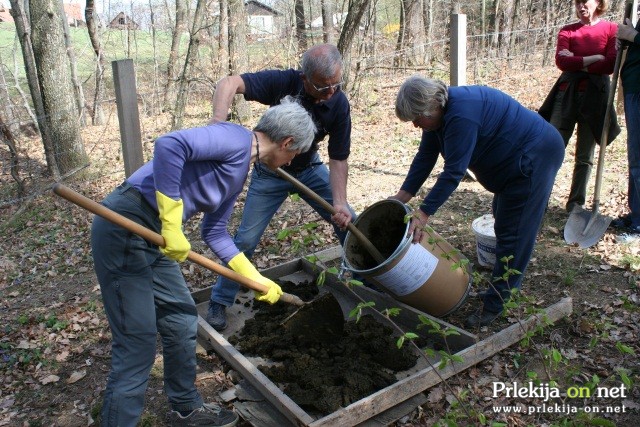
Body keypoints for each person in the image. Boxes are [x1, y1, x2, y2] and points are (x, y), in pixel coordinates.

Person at [90, 98, 316, 426]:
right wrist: (170, 220)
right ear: (287, 143)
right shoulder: (233, 138)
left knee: (182, 321)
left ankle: (187, 408)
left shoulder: (240, 173)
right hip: (127, 222)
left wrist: (255, 278)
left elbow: (216, 233)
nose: (291, 161)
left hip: (158, 238)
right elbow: (170, 145)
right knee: (137, 343)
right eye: (294, 155)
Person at [390, 75, 564, 327]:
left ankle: (497, 304)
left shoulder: (461, 116)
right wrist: (401, 197)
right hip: (511, 163)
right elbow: (425, 157)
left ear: (433, 105)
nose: (416, 125)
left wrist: (424, 212)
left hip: (535, 156)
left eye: (418, 118)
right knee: (504, 223)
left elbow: (453, 172)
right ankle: (500, 290)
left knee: (514, 234)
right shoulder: (437, 119)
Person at [206, 44, 357, 331]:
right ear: (304, 78)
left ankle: (362, 284)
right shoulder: (283, 82)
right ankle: (219, 300)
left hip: (309, 168)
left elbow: (339, 158)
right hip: (270, 172)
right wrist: (217, 123)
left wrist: (339, 202)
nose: (330, 93)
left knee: (349, 222)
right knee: (246, 240)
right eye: (323, 87)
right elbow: (230, 83)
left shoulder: (338, 103)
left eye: (336, 85)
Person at [539, 0, 619, 213]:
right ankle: (540, 199)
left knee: (585, 157)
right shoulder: (567, 31)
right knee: (551, 149)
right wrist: (594, 58)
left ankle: (576, 205)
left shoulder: (611, 29)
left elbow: (610, 64)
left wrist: (577, 60)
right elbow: (562, 63)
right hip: (566, 96)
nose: (581, 6)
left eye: (586, 1)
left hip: (596, 98)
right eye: (578, 2)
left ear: (599, 3)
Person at [612, 14, 640, 235]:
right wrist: (629, 38)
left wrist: (634, 36)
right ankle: (636, 214)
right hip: (633, 87)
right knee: (634, 156)